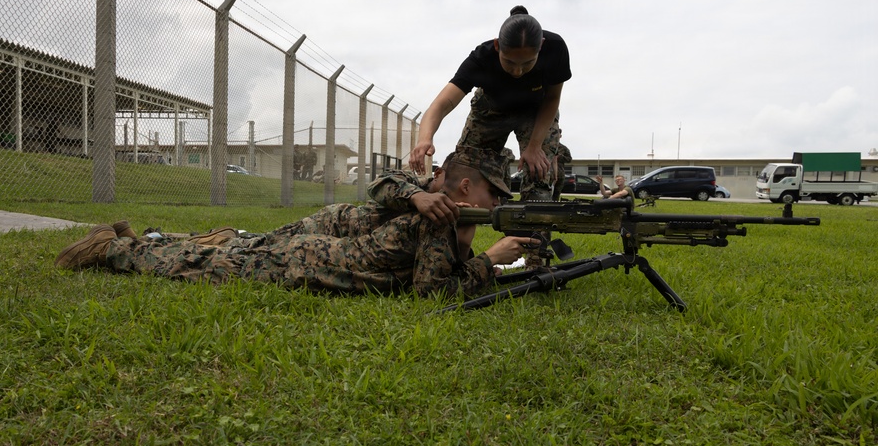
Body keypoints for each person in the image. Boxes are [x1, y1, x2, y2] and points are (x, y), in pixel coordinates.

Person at [55, 147, 538, 298]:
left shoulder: (450, 222)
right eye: (494, 191)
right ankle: (113, 249)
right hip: (310, 262)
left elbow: (439, 271)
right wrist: (489, 262)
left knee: (226, 253)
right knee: (207, 264)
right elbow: (431, 292)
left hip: (317, 258)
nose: (499, 201)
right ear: (467, 189)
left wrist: (485, 260)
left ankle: (135, 241)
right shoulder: (438, 217)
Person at [409, 5, 571, 200]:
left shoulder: (555, 49)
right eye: (510, 62)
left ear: (541, 47)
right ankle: (453, 227)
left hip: (536, 112)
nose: (518, 72)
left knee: (538, 170)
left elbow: (553, 98)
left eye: (528, 63)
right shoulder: (481, 59)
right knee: (464, 172)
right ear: (497, 46)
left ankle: (532, 228)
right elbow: (441, 104)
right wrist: (425, 139)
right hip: (491, 111)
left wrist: (535, 146)